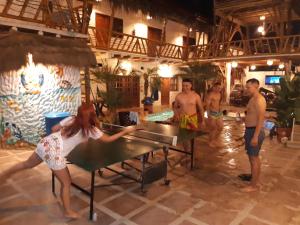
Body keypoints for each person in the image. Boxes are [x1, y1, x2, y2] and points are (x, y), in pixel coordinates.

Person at [0, 103, 135, 219]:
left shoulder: (71, 119)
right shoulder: (91, 130)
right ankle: (68, 212)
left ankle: (5, 174)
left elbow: (53, 129)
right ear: (92, 115)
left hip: (46, 143)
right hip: (55, 152)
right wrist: (126, 131)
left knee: (26, 164)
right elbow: (108, 140)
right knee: (66, 183)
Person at [241, 78, 266, 192]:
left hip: (254, 131)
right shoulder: (252, 99)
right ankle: (255, 180)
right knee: (253, 158)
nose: (247, 89)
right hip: (250, 130)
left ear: (256, 86)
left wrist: (255, 136)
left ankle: (253, 186)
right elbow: (251, 114)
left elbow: (261, 119)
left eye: (248, 87)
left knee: (254, 158)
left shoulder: (260, 100)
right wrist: (243, 119)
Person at [206, 82, 224, 148]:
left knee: (221, 127)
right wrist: (208, 114)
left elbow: (219, 103)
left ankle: (215, 140)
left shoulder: (220, 94)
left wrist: (221, 109)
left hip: (219, 113)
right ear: (214, 87)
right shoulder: (210, 95)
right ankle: (210, 141)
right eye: (218, 88)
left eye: (220, 88)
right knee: (213, 128)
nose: (219, 89)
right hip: (212, 113)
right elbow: (207, 105)